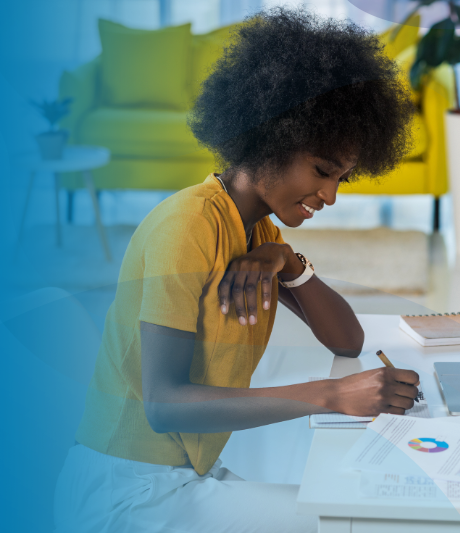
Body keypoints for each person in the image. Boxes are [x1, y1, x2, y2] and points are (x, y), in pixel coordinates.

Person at [54, 7, 418, 532]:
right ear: (271, 135)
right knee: (348, 521)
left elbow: (347, 339)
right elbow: (163, 403)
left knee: (351, 505)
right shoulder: (188, 225)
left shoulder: (259, 230)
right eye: (321, 171)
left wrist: (288, 261)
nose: (332, 195)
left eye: (342, 177)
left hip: (181, 475)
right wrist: (334, 394)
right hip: (126, 492)